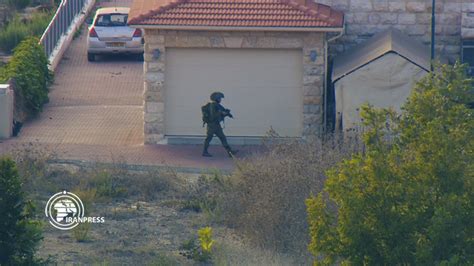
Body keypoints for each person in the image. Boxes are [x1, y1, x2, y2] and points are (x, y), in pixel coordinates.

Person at [202, 92, 238, 157]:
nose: (220, 100)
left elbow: (222, 111)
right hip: (212, 125)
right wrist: (221, 113)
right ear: (216, 98)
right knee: (209, 138)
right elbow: (213, 116)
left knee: (222, 137)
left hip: (216, 125)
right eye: (219, 98)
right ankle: (205, 152)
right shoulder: (213, 105)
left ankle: (230, 152)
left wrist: (226, 113)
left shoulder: (217, 105)